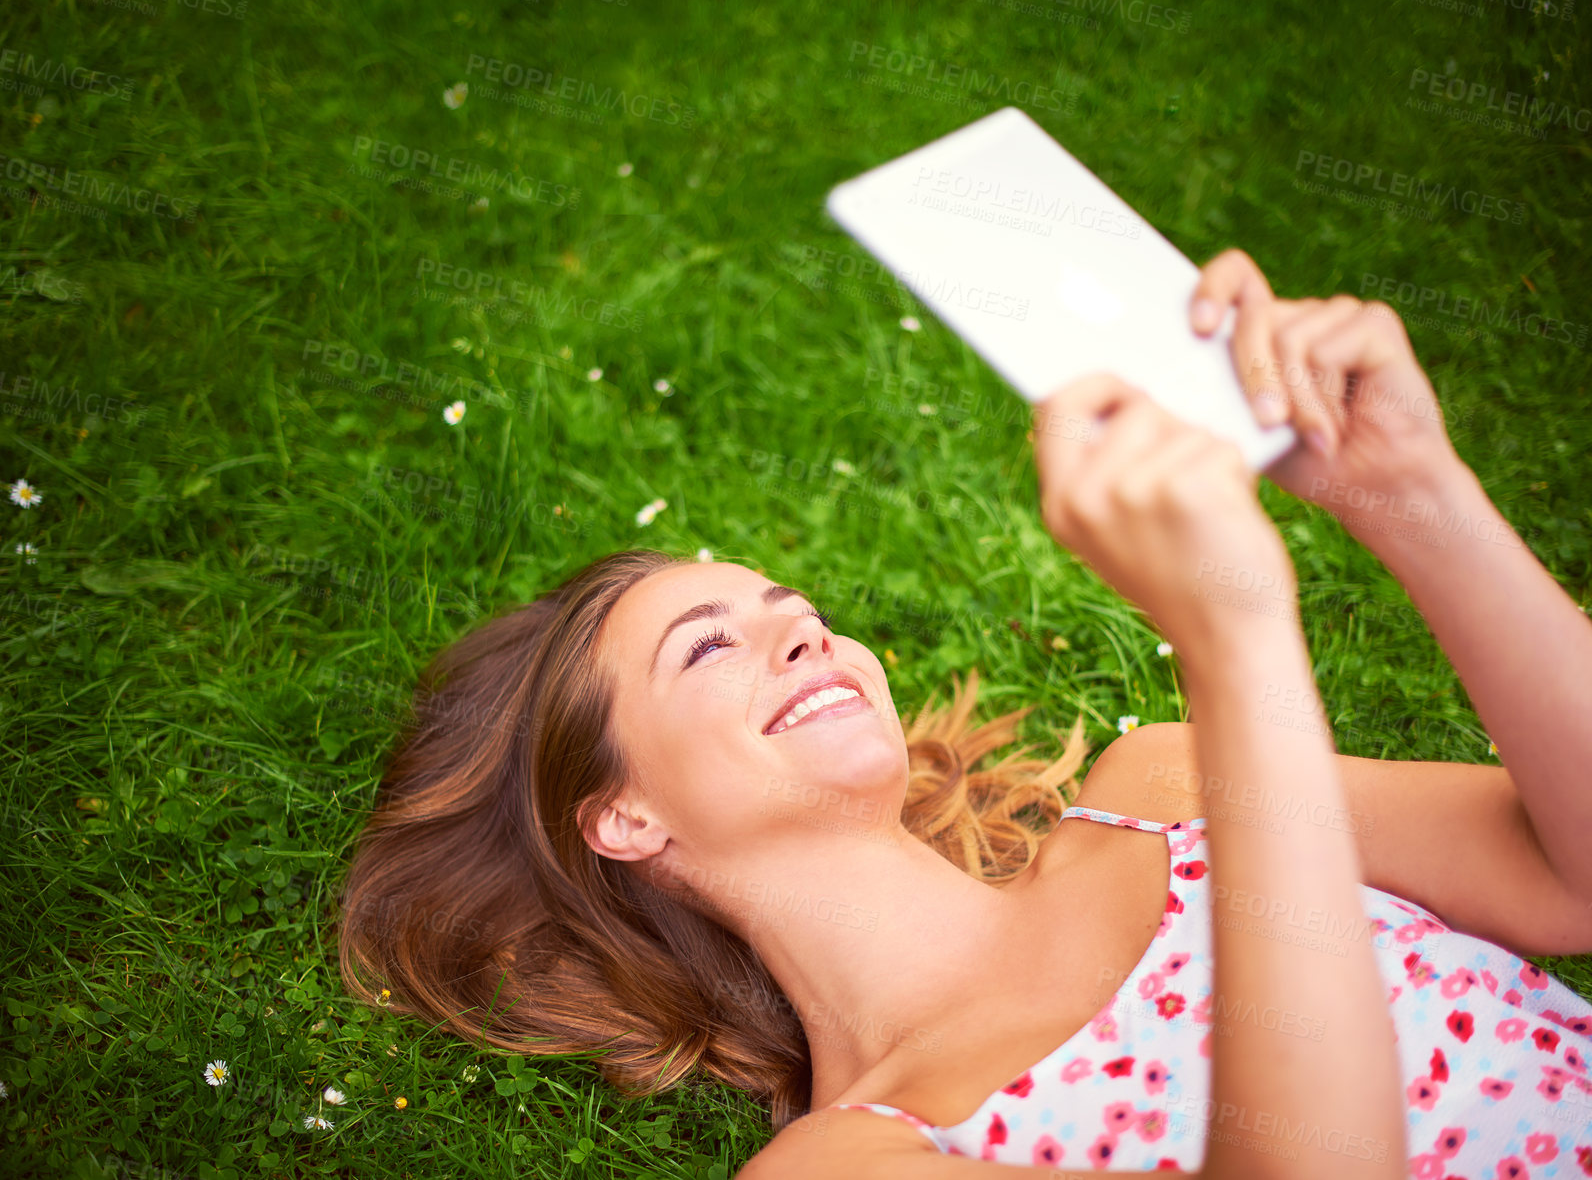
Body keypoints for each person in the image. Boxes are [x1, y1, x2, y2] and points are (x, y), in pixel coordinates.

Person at [338, 250, 1592, 1177]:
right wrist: (1235, 635)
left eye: (794, 610)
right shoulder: (848, 1158)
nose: (800, 633)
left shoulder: (1160, 793)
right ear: (621, 814)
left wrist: (1412, 491)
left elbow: (1569, 877)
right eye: (709, 647)